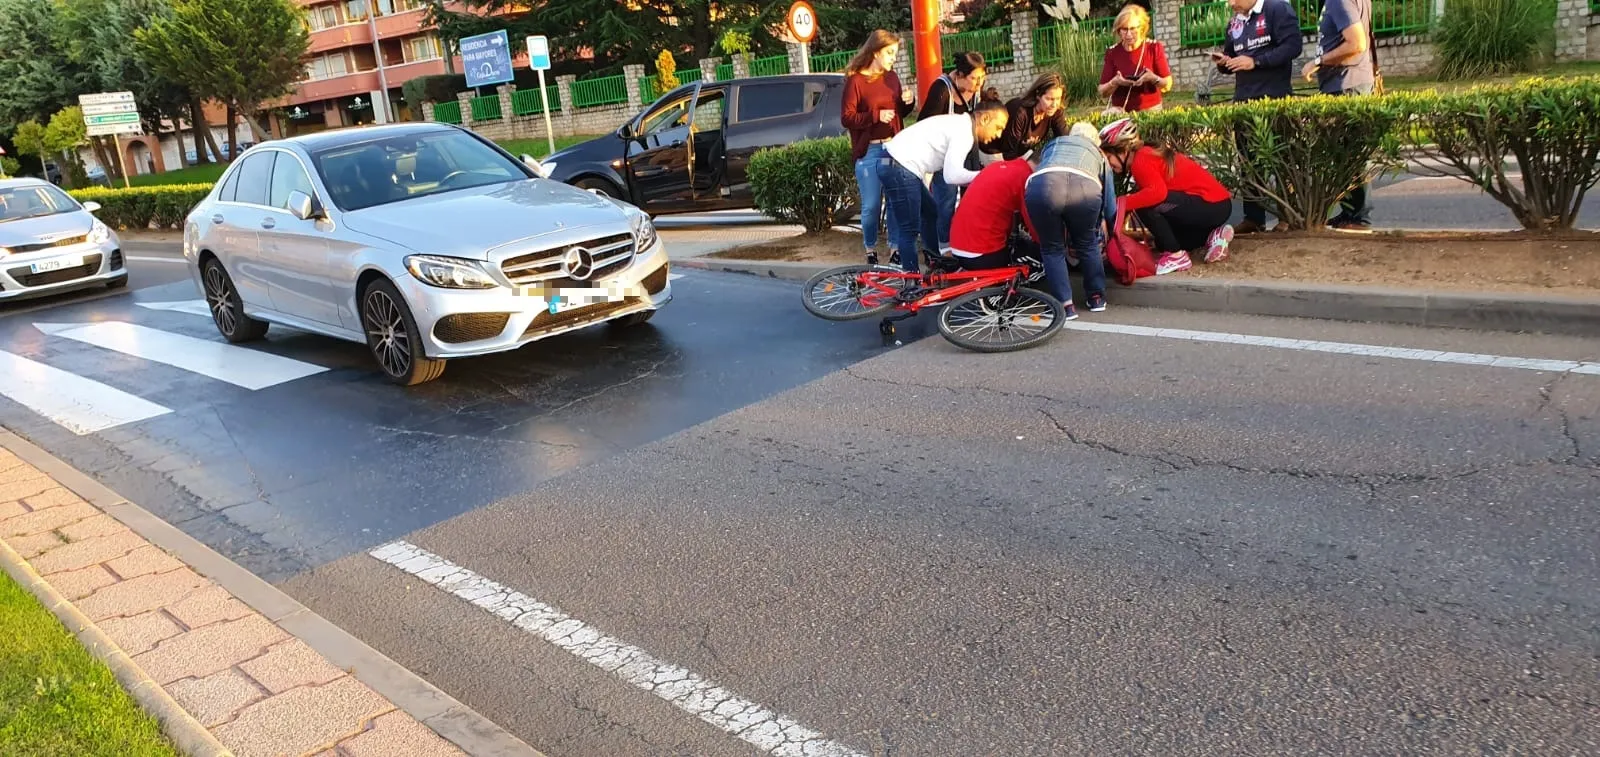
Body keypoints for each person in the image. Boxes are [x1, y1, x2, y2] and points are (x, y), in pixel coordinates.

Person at [878, 98, 1010, 274]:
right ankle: (911, 284)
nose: (999, 134)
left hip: (894, 162)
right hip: (900, 165)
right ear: (985, 119)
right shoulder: (964, 132)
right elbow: (952, 175)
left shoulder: (960, 124)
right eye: (999, 127)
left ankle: (935, 264)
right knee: (909, 229)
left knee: (931, 213)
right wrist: (987, 175)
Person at [1098, 118, 1234, 275]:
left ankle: (1176, 256)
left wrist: (1120, 203)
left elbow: (1157, 193)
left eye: (1109, 159)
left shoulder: (1141, 159)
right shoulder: (1145, 153)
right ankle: (1213, 235)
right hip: (1215, 206)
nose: (1110, 166)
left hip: (1211, 204)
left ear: (1122, 150)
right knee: (1162, 243)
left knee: (1148, 206)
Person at [1213, 0, 1301, 235]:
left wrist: (1256, 61)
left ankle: (1288, 216)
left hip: (1274, 100)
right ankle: (1253, 218)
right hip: (1243, 102)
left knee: (1281, 160)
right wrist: (1224, 62)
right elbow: (1232, 56)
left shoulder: (1277, 9)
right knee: (1248, 163)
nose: (1230, 3)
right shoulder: (1235, 22)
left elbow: (1293, 46)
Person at [1021, 122, 1118, 319]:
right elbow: (1109, 199)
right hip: (1085, 188)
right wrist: (1111, 222)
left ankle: (1063, 305)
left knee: (1051, 248)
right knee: (1088, 243)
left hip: (1043, 186)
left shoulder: (1054, 144)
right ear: (1094, 142)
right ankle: (1096, 297)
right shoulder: (1098, 154)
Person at [841, 30, 917, 267]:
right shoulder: (856, 81)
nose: (894, 58)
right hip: (870, 152)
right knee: (872, 204)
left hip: (893, 148)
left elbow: (898, 114)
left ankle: (895, 248)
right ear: (875, 52)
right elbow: (847, 117)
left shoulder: (892, 78)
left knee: (895, 201)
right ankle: (870, 248)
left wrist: (908, 102)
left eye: (895, 53)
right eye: (889, 52)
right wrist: (875, 116)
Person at [1303, 0, 1376, 231]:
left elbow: (1356, 42)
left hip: (1346, 84)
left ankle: (1359, 218)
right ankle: (1350, 213)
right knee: (1346, 155)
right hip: (1349, 83)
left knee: (1351, 152)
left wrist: (1318, 61)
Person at [918, 51, 988, 250]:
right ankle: (943, 245)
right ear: (959, 75)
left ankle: (964, 239)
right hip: (943, 155)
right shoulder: (942, 90)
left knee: (971, 197)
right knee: (946, 201)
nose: (978, 84)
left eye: (981, 78)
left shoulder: (976, 91)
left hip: (967, 150)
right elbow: (924, 124)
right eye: (973, 78)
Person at [946, 156, 1036, 270]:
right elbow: (1034, 223)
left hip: (956, 246)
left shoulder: (996, 167)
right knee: (1037, 254)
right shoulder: (1026, 177)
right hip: (982, 253)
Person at [1097, 4, 1173, 114]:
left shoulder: (1153, 48)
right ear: (1119, 31)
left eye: (1133, 29)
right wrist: (1115, 82)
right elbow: (1102, 91)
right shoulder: (1112, 52)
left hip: (1151, 112)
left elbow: (1168, 84)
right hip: (1121, 113)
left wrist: (1153, 78)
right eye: (1124, 29)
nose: (1128, 34)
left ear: (1141, 28)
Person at [986, 72, 1070, 161]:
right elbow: (1009, 154)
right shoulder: (1020, 113)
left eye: (1058, 98)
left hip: (1020, 154)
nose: (1054, 104)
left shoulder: (1054, 111)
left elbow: (1064, 141)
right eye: (1049, 99)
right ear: (1038, 95)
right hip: (995, 154)